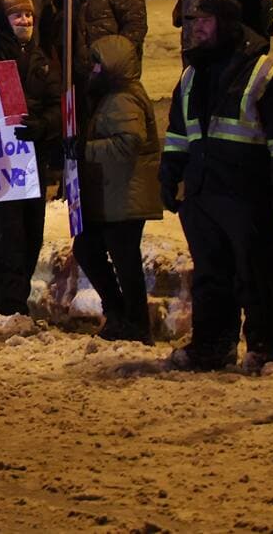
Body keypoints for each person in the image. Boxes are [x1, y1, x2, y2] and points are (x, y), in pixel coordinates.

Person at [160, 0, 273, 373]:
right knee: (210, 277)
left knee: (255, 273)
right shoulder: (192, 75)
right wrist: (169, 175)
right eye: (195, 22)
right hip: (204, 192)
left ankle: (263, 347)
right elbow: (179, 133)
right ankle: (212, 346)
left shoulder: (266, 72)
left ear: (228, 24)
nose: (198, 28)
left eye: (206, 21)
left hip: (249, 192)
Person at [75, 35, 162, 343]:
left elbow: (129, 143)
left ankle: (135, 323)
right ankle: (120, 314)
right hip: (114, 192)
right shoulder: (111, 94)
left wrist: (86, 149)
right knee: (90, 249)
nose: (92, 69)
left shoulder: (122, 98)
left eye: (97, 62)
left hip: (126, 192)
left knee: (123, 260)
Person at [0, 0, 63, 317]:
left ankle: (17, 296)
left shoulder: (43, 58)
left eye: (29, 16)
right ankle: (9, 303)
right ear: (5, 21)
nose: (25, 21)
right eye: (17, 16)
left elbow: (58, 104)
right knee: (7, 233)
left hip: (32, 157)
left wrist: (43, 126)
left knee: (32, 231)